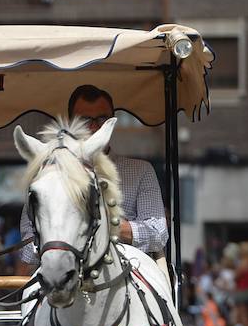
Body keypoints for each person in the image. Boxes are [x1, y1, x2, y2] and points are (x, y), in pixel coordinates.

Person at [19, 86, 167, 269]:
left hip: (130, 277)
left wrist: (104, 227)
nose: (94, 126)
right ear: (70, 123)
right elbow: (27, 248)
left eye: (102, 119)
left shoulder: (141, 170)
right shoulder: (49, 176)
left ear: (110, 124)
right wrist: (59, 241)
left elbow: (158, 233)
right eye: (84, 120)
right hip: (62, 272)